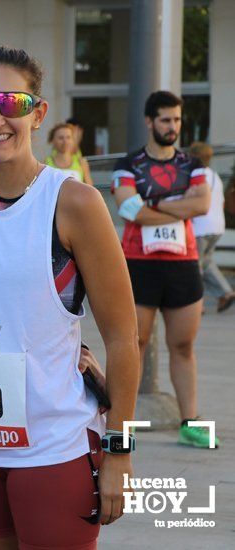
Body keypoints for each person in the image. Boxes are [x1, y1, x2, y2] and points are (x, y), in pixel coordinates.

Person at [0, 47, 139, 549]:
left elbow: (122, 336)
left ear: (38, 112)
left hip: (51, 447)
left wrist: (119, 451)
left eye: (11, 100)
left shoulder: (74, 202)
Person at [112, 90, 218, 449]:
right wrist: (178, 204)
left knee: (183, 345)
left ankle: (191, 422)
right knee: (134, 344)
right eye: (165, 120)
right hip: (139, 264)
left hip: (183, 264)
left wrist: (152, 205)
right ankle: (121, 426)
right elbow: (130, 211)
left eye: (176, 120)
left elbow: (202, 204)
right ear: (149, 121)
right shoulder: (128, 165)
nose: (172, 126)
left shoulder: (194, 165)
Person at [188, 142, 235, 313]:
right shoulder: (215, 176)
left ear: (194, 157)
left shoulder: (195, 176)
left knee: (195, 265)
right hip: (217, 226)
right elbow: (221, 202)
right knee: (206, 262)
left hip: (201, 227)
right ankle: (225, 292)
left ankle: (196, 304)